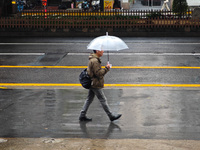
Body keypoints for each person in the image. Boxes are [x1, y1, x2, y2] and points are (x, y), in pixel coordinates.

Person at [79, 50, 122, 122]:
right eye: (101, 50)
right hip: (95, 83)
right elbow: (98, 73)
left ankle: (82, 115)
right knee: (103, 99)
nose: (103, 51)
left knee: (89, 99)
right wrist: (106, 68)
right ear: (97, 51)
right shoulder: (95, 61)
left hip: (92, 82)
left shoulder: (94, 59)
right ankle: (111, 116)